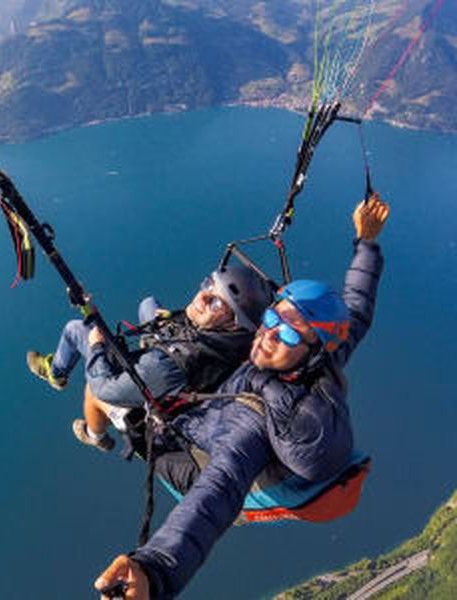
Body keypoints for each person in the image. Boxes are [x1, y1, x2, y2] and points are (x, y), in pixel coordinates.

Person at [93, 194, 390, 600]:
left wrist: (155, 571)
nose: (267, 334)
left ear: (311, 348)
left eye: (285, 332)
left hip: (189, 460)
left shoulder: (251, 422)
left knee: (102, 392)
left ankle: (97, 432)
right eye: (270, 318)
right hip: (226, 420)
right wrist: (366, 241)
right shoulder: (324, 357)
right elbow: (357, 306)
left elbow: (215, 494)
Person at [26, 264, 274, 451]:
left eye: (217, 304)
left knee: (75, 332)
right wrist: (172, 322)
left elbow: (104, 388)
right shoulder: (238, 339)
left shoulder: (167, 366)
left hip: (157, 389)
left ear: (233, 324)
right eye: (209, 285)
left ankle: (89, 427)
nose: (201, 297)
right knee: (149, 304)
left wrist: (97, 348)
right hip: (177, 358)